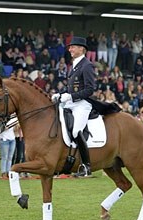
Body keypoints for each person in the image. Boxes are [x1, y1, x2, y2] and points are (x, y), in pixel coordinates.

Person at [52, 36, 96, 177]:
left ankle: (86, 166)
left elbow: (90, 89)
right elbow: (72, 89)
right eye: (70, 47)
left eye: (73, 47)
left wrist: (70, 96)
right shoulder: (74, 65)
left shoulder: (86, 65)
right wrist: (61, 95)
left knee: (77, 131)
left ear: (81, 49)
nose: (70, 49)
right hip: (72, 103)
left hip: (83, 104)